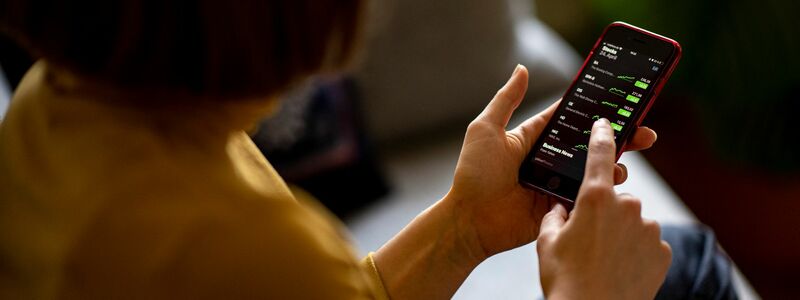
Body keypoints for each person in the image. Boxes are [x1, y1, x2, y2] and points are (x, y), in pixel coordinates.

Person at [0, 1, 734, 299]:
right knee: (690, 268)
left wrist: (465, 225)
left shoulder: (56, 102)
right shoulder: (226, 246)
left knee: (681, 263)